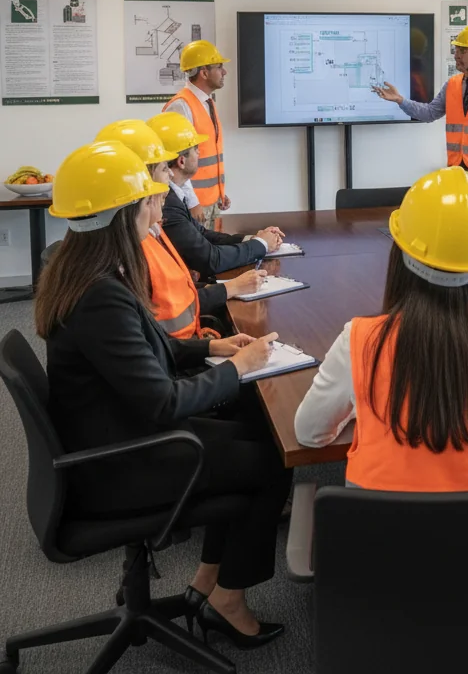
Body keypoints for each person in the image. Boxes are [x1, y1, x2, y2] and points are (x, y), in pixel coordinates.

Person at [39, 140, 290, 647]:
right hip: (123, 459)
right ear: (123, 215)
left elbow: (143, 354)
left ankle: (207, 582)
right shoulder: (101, 295)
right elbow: (162, 402)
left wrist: (211, 348)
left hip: (113, 429)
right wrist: (239, 365)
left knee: (252, 427)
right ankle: (226, 598)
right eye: (147, 202)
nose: (156, 209)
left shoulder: (85, 271)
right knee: (271, 463)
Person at [294, 166, 468, 490]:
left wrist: (364, 406)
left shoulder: (361, 340)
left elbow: (310, 433)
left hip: (383, 538)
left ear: (400, 253)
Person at [96, 119, 266, 338]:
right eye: (164, 168)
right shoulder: (131, 248)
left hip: (183, 345)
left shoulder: (143, 233)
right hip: (179, 357)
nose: (169, 178)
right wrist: (231, 288)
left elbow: (173, 298)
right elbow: (165, 318)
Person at [371, 25, 468, 200]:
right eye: (456, 50)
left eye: (462, 50)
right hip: (457, 172)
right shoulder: (452, 85)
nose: (456, 55)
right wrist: (401, 100)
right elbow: (429, 113)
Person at [148, 112, 284, 279]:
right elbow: (209, 259)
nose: (200, 154)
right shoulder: (167, 202)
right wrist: (261, 245)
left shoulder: (174, 195)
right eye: (196, 149)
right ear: (181, 161)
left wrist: (253, 239)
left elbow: (203, 235)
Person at [164, 39, 231, 227]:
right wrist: (192, 202)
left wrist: (219, 192)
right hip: (194, 205)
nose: (224, 72)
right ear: (204, 72)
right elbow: (175, 163)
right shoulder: (181, 106)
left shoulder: (207, 103)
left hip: (212, 202)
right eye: (219, 67)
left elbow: (209, 154)